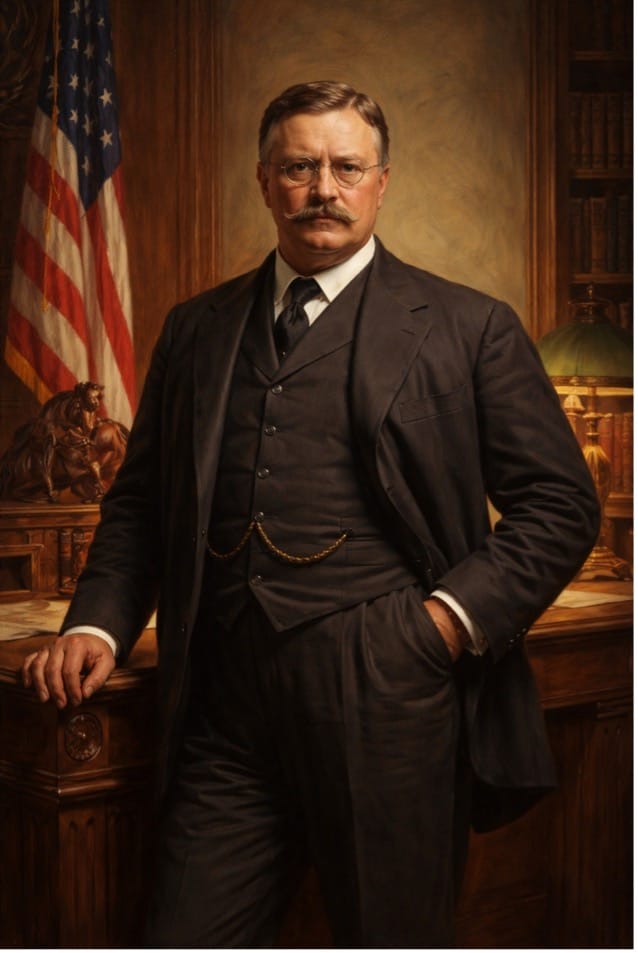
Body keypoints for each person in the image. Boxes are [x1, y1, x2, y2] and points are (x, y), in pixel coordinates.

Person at [22, 80, 599, 948]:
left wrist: (441, 623)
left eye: (345, 167)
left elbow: (559, 504)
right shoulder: (195, 329)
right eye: (299, 167)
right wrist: (97, 626)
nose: (322, 187)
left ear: (381, 182)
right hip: (222, 703)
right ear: (264, 181)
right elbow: (141, 505)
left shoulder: (469, 325)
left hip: (390, 698)